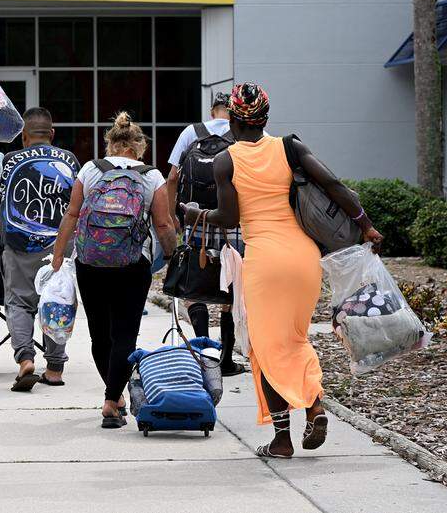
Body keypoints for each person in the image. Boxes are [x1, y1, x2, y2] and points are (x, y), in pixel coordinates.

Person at [182, 83, 383, 458]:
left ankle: (282, 437)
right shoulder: (290, 147)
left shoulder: (226, 160)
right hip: (304, 257)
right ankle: (314, 407)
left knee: (265, 348)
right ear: (265, 118)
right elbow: (334, 185)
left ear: (234, 122)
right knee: (296, 338)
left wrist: (197, 214)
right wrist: (366, 224)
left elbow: (230, 217)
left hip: (265, 260)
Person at [51, 112, 177, 429]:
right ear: (139, 147)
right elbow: (163, 224)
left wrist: (57, 256)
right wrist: (174, 255)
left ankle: (114, 396)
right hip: (133, 264)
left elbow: (72, 214)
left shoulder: (91, 170)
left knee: (99, 333)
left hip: (89, 262)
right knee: (124, 332)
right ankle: (112, 400)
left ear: (110, 144)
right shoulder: (151, 177)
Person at [0, 107, 80, 392]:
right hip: (59, 246)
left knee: (19, 303)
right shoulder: (69, 160)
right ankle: (55, 368)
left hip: (19, 246)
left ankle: (25, 358)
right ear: (52, 134)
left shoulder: (10, 161)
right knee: (58, 300)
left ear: (24, 137)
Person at [164, 92, 246, 377]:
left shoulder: (192, 132)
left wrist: (175, 215)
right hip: (233, 221)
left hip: (195, 218)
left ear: (212, 110)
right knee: (231, 287)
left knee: (194, 284)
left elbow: (173, 176)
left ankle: (202, 353)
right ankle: (225, 358)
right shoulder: (243, 133)